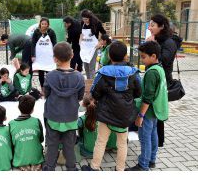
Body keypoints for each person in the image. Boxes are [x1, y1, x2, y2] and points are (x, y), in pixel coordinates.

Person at [82, 41, 141, 171]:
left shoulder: (103, 73)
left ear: (109, 55)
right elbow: (139, 92)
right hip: (125, 115)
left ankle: (94, 167)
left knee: (101, 141)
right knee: (122, 143)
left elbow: (94, 93)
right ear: (126, 56)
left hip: (105, 114)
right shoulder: (133, 73)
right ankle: (120, 169)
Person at [126, 41, 168, 171]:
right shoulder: (160, 68)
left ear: (154, 56)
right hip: (156, 111)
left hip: (148, 112)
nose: (142, 59)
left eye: (144, 57)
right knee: (153, 135)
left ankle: (143, 165)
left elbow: (147, 98)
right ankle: (151, 160)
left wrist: (140, 116)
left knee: (145, 138)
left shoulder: (151, 73)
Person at [42, 42, 85, 171]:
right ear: (72, 55)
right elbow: (80, 97)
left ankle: (49, 167)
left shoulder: (50, 76)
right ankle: (71, 168)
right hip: (70, 117)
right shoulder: (79, 77)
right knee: (69, 145)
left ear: (55, 58)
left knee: (52, 144)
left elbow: (46, 94)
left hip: (53, 116)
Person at [147, 14, 178, 147]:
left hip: (162, 80)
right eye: (150, 25)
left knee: (157, 110)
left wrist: (153, 44)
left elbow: (165, 60)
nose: (150, 27)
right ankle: (156, 140)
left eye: (153, 25)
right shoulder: (157, 39)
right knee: (153, 110)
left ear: (162, 26)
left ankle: (158, 141)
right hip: (154, 77)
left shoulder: (169, 42)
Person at [9, 95, 44, 171]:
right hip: (37, 158)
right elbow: (41, 139)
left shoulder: (11, 124)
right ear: (32, 110)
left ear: (18, 107)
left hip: (19, 159)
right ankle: (35, 163)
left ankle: (23, 164)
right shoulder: (37, 121)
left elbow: (12, 143)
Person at [31, 17, 57, 93]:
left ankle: (50, 89)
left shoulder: (51, 32)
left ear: (48, 24)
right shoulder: (36, 32)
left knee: (49, 73)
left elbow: (55, 44)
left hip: (49, 56)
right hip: (39, 56)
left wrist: (55, 55)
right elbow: (33, 44)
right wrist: (33, 55)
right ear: (40, 24)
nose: (44, 25)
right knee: (41, 73)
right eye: (42, 24)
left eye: (45, 24)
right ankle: (42, 90)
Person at [79, 9, 106, 79]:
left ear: (90, 17)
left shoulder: (97, 23)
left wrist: (100, 43)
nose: (85, 21)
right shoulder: (82, 23)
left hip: (93, 47)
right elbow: (81, 34)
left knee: (91, 67)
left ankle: (92, 84)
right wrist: (80, 40)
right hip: (84, 48)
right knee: (86, 67)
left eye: (86, 19)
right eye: (83, 19)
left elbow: (104, 33)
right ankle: (88, 81)